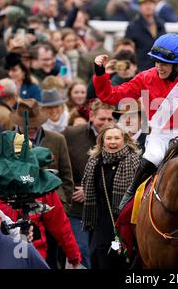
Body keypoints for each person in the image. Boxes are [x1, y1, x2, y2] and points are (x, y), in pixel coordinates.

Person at [92, 33, 178, 211]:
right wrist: (100, 73)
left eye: (164, 63)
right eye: (156, 62)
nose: (159, 67)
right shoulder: (146, 77)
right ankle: (128, 201)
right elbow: (110, 95)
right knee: (152, 158)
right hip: (160, 135)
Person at [62, 101, 115, 269]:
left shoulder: (119, 138)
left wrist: (91, 190)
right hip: (78, 209)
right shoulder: (71, 134)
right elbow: (61, 166)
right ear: (91, 116)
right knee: (81, 251)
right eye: (102, 119)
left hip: (106, 211)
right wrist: (68, 192)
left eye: (110, 119)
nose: (106, 123)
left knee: (103, 254)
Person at [82, 125, 140, 269]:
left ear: (125, 140)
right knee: (101, 260)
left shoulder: (134, 161)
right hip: (101, 223)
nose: (112, 142)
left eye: (117, 138)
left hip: (128, 223)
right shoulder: (95, 162)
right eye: (108, 138)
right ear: (102, 141)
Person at [124, 0, 166, 72]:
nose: (148, 6)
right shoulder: (133, 26)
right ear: (140, 7)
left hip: (159, 67)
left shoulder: (160, 24)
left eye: (151, 3)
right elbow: (127, 49)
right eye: (145, 4)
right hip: (141, 68)